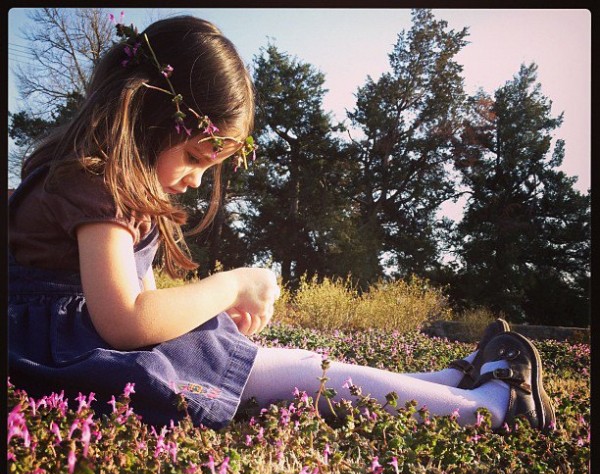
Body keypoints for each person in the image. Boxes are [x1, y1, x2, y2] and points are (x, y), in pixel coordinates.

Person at [8, 15, 555, 433]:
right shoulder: (93, 181)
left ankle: (446, 385)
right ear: (147, 115)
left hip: (88, 352)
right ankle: (488, 408)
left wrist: (205, 315)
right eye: (197, 158)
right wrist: (231, 286)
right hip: (63, 362)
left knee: (278, 365)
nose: (198, 180)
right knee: (283, 373)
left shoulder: (115, 188)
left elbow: (146, 311)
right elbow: (126, 321)